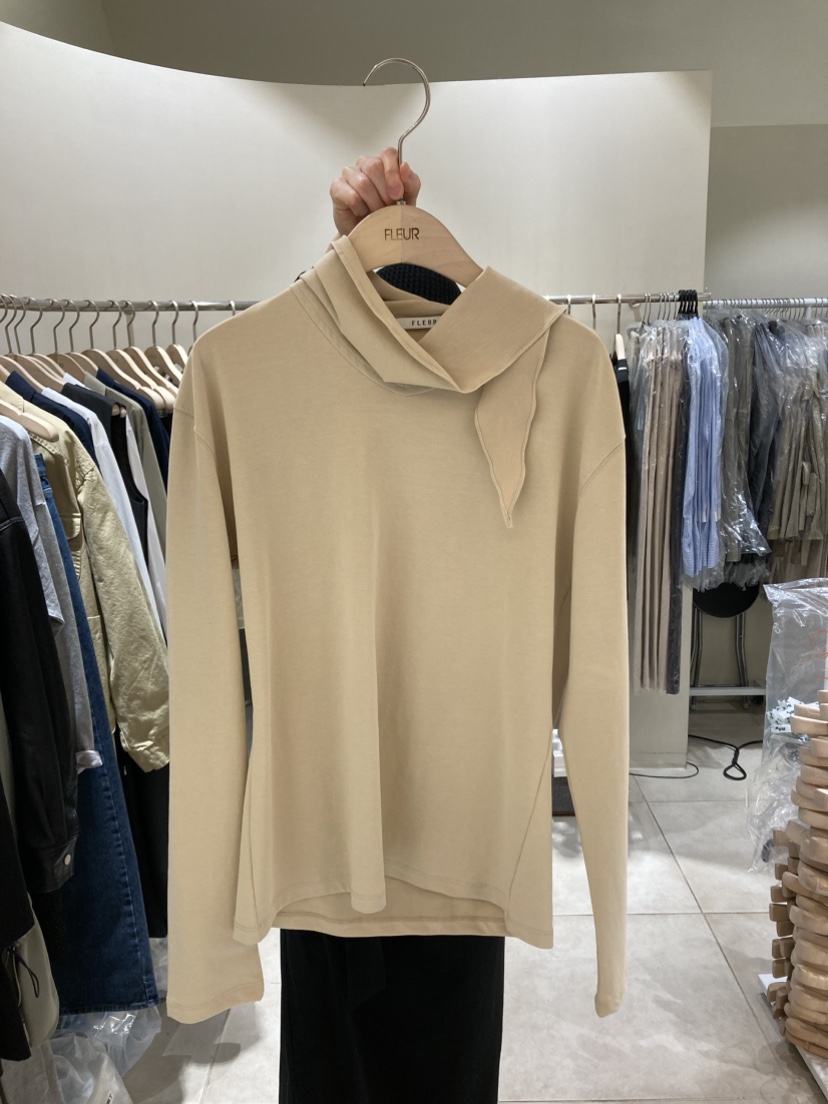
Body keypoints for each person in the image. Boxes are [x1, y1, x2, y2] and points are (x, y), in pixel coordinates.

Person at [278, 149, 506, 1104]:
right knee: (337, 1046)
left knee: (441, 1040)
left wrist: (397, 256)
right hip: (334, 788)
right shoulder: (292, 386)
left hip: (450, 795)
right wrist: (360, 251)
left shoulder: (510, 383)